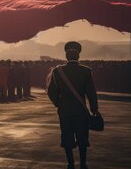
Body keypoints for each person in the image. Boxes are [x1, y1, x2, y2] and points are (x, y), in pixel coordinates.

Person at [48, 41, 99, 169]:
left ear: (66, 57)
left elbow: (51, 92)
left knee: (67, 136)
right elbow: (91, 92)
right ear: (78, 57)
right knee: (82, 136)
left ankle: (70, 163)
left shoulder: (57, 71)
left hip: (65, 109)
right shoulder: (86, 71)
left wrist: (59, 104)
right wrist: (94, 109)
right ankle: (83, 163)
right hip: (80, 108)